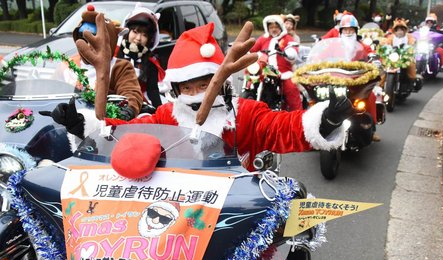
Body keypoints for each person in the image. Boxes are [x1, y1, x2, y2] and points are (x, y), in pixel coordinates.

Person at [44, 21, 353, 172]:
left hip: (234, 206)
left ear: (221, 83)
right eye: (187, 88)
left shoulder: (245, 113)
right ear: (176, 89)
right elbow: (132, 135)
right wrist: (82, 125)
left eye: (204, 85)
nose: (194, 96)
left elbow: (284, 128)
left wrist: (324, 120)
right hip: (174, 206)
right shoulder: (168, 115)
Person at [71, 5, 143, 120]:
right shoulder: (69, 64)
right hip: (67, 125)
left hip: (102, 127)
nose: (89, 44)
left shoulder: (120, 67)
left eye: (96, 38)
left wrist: (129, 109)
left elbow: (131, 92)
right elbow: (52, 88)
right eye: (83, 37)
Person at [338, 14, 381, 142]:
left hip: (358, 81)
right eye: (345, 29)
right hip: (336, 79)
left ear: (356, 31)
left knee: (371, 97)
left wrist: (376, 60)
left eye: (351, 29)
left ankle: (372, 129)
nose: (348, 32)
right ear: (341, 31)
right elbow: (322, 53)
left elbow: (372, 53)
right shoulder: (335, 44)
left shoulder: (362, 46)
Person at [250, 15, 302, 111]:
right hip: (265, 71)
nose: (273, 29)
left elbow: (293, 49)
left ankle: (298, 115)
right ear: (267, 28)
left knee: (291, 89)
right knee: (250, 81)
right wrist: (244, 49)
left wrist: (289, 53)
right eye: (271, 27)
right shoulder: (263, 38)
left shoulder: (287, 38)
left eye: (276, 27)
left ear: (280, 27)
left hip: (283, 73)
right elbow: (253, 49)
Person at [117, 5, 166, 108]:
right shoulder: (114, 54)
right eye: (135, 32)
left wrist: (159, 113)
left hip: (139, 105)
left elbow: (153, 91)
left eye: (144, 35)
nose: (138, 38)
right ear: (127, 31)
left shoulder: (150, 63)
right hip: (113, 104)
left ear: (149, 39)